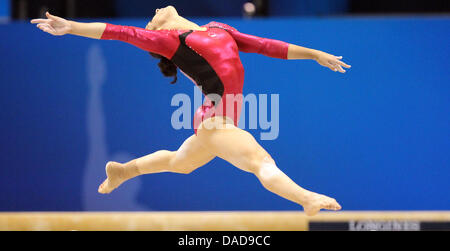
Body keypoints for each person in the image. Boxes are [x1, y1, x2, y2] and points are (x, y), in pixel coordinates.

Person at [31, 6, 350, 216]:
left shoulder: (218, 28)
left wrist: (313, 54)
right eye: (152, 14)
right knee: (260, 161)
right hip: (215, 121)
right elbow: (121, 32)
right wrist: (71, 26)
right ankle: (304, 198)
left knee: (180, 163)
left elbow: (266, 45)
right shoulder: (170, 40)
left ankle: (123, 171)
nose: (156, 8)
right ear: (155, 26)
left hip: (217, 121)